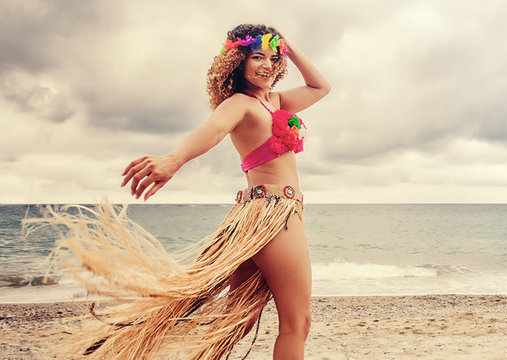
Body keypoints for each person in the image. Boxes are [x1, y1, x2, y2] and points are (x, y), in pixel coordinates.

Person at [43, 23, 329, 360]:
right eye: (257, 57)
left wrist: (289, 47)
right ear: (238, 61)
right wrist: (174, 160)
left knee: (236, 321)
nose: (267, 65)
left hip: (258, 218)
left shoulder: (276, 101)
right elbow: (212, 129)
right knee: (297, 324)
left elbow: (320, 86)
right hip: (274, 214)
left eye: (273, 58)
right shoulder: (240, 103)